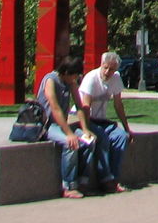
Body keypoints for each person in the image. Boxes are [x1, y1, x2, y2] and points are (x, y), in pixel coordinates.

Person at [38, 54, 94, 199]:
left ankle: (82, 181)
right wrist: (69, 133)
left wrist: (86, 130)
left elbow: (79, 107)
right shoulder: (50, 80)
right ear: (67, 72)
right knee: (71, 143)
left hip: (62, 124)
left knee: (89, 141)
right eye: (74, 75)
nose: (75, 79)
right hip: (47, 125)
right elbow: (55, 108)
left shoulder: (71, 83)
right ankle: (68, 186)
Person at [79, 50, 133, 194]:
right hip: (85, 119)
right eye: (105, 67)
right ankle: (106, 180)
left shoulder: (116, 79)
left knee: (121, 137)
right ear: (101, 65)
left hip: (101, 120)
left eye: (112, 69)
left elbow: (118, 105)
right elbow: (85, 106)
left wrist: (127, 129)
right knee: (101, 138)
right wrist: (86, 129)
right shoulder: (91, 78)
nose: (108, 72)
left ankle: (114, 179)